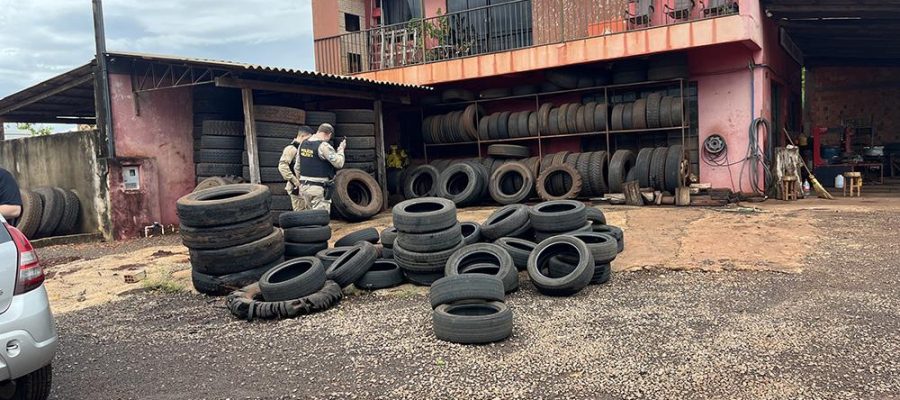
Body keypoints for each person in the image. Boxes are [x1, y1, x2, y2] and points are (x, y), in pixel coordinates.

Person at [295, 123, 345, 212]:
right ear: (329, 134)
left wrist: (302, 181)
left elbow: (297, 167)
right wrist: (341, 150)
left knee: (308, 217)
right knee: (321, 217)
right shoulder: (323, 146)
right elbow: (339, 163)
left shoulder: (303, 144)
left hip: (304, 187)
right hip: (319, 188)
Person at [278, 126, 314, 211]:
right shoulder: (292, 148)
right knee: (301, 213)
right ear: (302, 136)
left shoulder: (303, 148)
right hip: (297, 188)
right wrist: (295, 181)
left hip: (305, 186)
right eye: (308, 138)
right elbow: (282, 166)